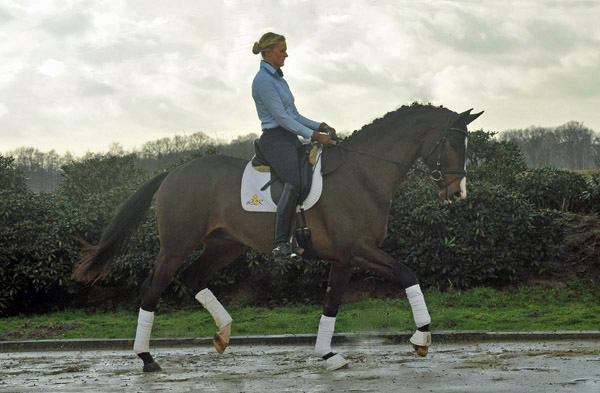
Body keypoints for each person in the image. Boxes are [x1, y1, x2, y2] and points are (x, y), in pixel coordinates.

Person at [251, 32, 336, 262]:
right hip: (275, 139)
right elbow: (282, 119)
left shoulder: (279, 80)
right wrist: (315, 135)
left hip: (289, 138)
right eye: (282, 51)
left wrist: (320, 125)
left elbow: (294, 115)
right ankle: (280, 244)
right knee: (295, 181)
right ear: (269, 53)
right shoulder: (263, 81)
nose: (286, 55)